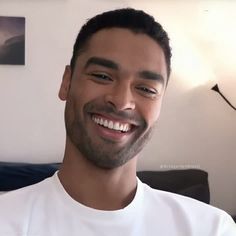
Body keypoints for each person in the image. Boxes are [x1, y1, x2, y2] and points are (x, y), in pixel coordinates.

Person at [0, 8, 235, 236]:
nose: (122, 101)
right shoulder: (7, 220)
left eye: (146, 89)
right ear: (66, 82)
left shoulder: (210, 228)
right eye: (102, 76)